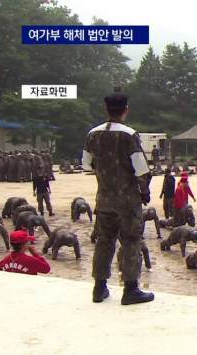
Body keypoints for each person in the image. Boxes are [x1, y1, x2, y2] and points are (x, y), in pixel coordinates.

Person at [81, 87, 154, 305]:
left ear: (106, 110)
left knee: (104, 240)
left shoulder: (92, 134)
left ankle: (99, 287)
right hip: (128, 200)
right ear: (126, 110)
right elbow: (141, 170)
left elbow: (86, 165)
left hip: (103, 198)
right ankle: (131, 289)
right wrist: (144, 192)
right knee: (131, 241)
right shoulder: (129, 135)